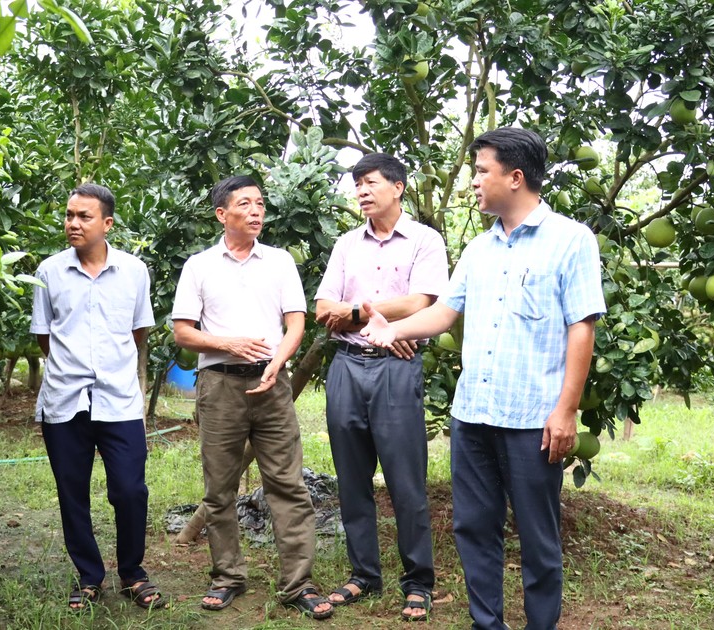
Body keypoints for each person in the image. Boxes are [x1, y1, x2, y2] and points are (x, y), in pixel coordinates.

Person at [360, 128, 606, 629]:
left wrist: (566, 410)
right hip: (472, 415)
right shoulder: (479, 249)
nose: (474, 182)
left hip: (532, 417)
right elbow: (444, 315)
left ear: (515, 178)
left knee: (538, 535)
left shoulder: (571, 240)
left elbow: (581, 327)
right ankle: (485, 623)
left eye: (481, 171)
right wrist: (394, 328)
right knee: (473, 527)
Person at [172, 175, 333, 620]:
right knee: (219, 487)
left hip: (272, 385)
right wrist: (228, 343)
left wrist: (276, 363)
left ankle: (297, 583)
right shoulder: (199, 266)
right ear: (223, 214)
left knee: (288, 484)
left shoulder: (279, 262)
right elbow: (183, 331)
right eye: (245, 203)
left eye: (260, 203)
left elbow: (296, 323)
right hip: (220, 386)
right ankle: (228, 577)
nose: (257, 210)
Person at [313, 152, 448, 621]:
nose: (362, 192)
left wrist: (355, 312)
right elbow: (321, 307)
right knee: (351, 479)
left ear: (398, 187)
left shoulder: (425, 242)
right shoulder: (347, 244)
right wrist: (362, 314)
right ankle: (363, 575)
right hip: (347, 365)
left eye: (370, 183)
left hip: (396, 364)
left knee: (405, 480)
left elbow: (422, 301)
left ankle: (418, 581)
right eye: (357, 185)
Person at [30, 183, 167, 612]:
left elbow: (138, 332)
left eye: (83, 216)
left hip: (119, 399)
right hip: (64, 400)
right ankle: (89, 576)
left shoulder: (134, 271)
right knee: (72, 491)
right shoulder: (48, 271)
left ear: (107, 223)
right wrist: (73, 367)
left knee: (130, 489)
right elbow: (43, 337)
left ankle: (133, 573)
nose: (73, 223)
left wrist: (108, 364)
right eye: (69, 215)